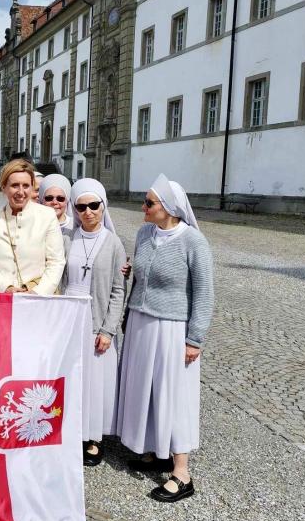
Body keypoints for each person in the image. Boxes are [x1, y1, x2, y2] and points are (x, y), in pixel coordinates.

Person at [115, 173, 214, 503]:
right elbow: (140, 278)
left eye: (148, 202)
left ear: (169, 207)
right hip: (140, 322)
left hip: (172, 327)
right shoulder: (144, 233)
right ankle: (154, 450)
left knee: (174, 394)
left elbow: (204, 293)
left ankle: (182, 472)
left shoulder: (193, 242)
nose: (143, 207)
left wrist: (195, 338)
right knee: (144, 388)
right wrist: (127, 306)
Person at [62, 178, 125, 466]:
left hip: (96, 317)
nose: (88, 212)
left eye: (94, 205)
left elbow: (118, 290)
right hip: (70, 316)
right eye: (81, 207)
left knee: (96, 381)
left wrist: (108, 330)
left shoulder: (113, 243)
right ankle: (72, 431)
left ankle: (95, 439)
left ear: (103, 206)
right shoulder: (67, 238)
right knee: (72, 377)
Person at [0, 159, 65, 295]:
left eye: (26, 186)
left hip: (37, 297)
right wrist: (5, 287)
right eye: (15, 185)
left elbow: (56, 262)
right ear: (4, 187)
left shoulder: (47, 216)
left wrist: (37, 292)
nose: (21, 192)